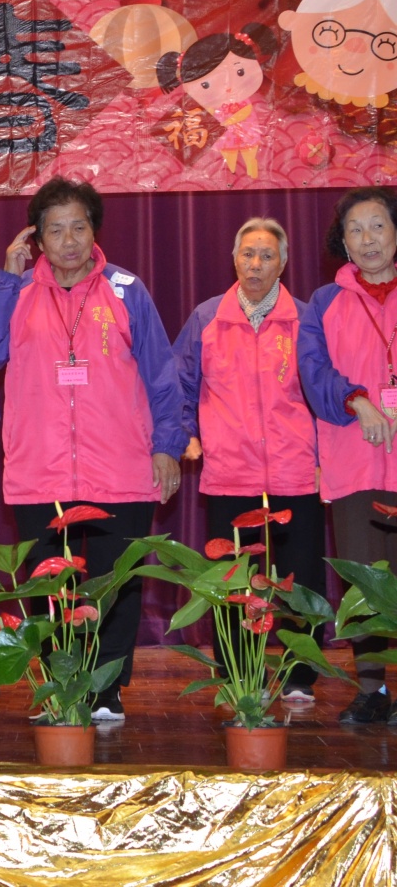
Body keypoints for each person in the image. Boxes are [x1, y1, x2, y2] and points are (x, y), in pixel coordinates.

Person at [0, 177, 186, 723]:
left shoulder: (127, 290)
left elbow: (162, 375)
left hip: (120, 464)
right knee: (48, 586)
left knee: (115, 585)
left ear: (94, 232)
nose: (68, 240)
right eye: (55, 230)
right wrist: (4, 278)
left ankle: (107, 689)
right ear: (36, 239)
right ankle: (61, 687)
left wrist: (167, 445)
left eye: (78, 227)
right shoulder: (16, 291)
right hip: (40, 467)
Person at [172, 217, 322, 706]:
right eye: (247, 254)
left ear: (283, 263)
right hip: (230, 471)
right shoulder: (206, 317)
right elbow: (181, 383)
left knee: (300, 576)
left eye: (267, 255)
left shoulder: (305, 318)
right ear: (234, 259)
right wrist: (186, 434)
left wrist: (325, 457)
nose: (255, 264)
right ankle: (238, 672)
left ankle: (299, 675)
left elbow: (322, 393)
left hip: (296, 469)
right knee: (233, 582)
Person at [297, 187, 397, 725]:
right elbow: (313, 372)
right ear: (343, 241)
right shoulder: (324, 302)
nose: (367, 239)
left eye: (377, 225)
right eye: (355, 229)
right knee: (366, 580)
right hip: (355, 460)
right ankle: (374, 690)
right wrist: (356, 400)